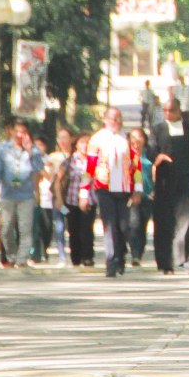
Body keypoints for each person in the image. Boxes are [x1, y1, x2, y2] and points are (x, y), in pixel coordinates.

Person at [149, 96, 189, 275]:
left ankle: (188, 259)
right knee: (165, 223)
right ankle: (166, 263)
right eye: (165, 111)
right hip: (164, 183)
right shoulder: (157, 129)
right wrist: (157, 158)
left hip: (186, 182)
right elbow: (151, 152)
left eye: (171, 110)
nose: (168, 114)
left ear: (179, 110)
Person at [87, 107, 139, 278]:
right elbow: (89, 167)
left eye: (118, 119)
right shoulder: (97, 139)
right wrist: (84, 191)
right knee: (109, 226)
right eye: (112, 118)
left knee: (123, 226)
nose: (115, 122)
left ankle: (120, 257)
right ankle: (111, 262)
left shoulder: (127, 138)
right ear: (105, 119)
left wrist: (138, 189)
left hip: (123, 188)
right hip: (104, 187)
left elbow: (136, 165)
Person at [0, 118, 45, 267]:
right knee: (6, 229)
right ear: (11, 131)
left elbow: (39, 168)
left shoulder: (33, 150)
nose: (20, 135)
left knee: (25, 229)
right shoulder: (1, 149)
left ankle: (22, 259)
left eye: (23, 132)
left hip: (26, 195)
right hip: (7, 195)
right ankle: (11, 256)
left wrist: (31, 151)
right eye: (17, 131)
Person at [65, 133, 95, 266]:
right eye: (82, 142)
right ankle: (75, 258)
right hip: (72, 199)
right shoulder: (70, 160)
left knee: (87, 229)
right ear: (76, 144)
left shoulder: (94, 160)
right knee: (73, 229)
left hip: (90, 199)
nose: (85, 145)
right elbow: (60, 178)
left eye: (88, 142)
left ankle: (87, 256)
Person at [46, 128, 74, 266]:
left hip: (72, 196)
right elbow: (49, 176)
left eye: (65, 137)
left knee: (72, 224)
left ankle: (75, 252)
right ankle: (62, 255)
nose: (63, 140)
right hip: (59, 196)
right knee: (59, 224)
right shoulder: (53, 157)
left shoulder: (75, 155)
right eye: (60, 137)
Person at [129, 128, 154, 267]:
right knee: (133, 224)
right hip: (131, 196)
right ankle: (135, 254)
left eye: (139, 137)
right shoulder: (126, 155)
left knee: (142, 225)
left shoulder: (149, 155)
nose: (136, 140)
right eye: (133, 137)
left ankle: (140, 251)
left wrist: (154, 190)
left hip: (147, 195)